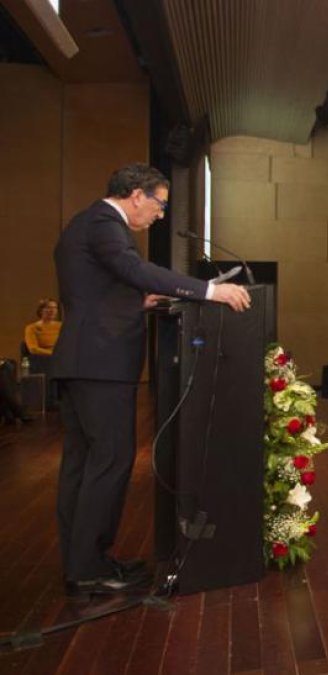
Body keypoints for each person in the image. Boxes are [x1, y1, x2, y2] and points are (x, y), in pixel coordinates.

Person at [51, 163, 250, 597]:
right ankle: (89, 567)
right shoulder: (106, 223)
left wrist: (135, 304)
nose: (160, 214)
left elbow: (93, 294)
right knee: (110, 464)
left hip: (83, 361)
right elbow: (135, 270)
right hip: (99, 365)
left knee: (82, 468)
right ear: (136, 194)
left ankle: (81, 560)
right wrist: (209, 291)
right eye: (159, 203)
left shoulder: (82, 224)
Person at [24, 298, 62, 369]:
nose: (52, 311)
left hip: (62, 357)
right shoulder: (31, 328)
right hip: (43, 359)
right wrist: (53, 354)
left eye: (55, 308)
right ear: (41, 310)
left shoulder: (61, 326)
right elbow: (33, 349)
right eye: (48, 308)